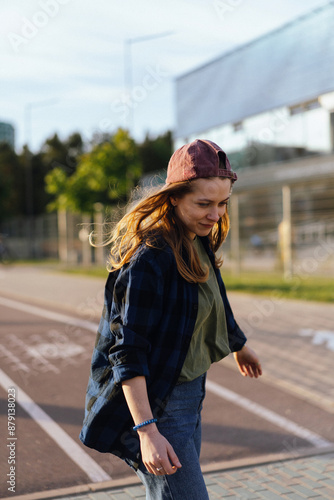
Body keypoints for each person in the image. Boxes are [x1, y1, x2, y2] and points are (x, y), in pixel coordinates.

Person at [80, 139, 262, 499]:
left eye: (223, 203)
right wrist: (146, 430)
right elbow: (127, 351)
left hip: (191, 394)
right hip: (160, 404)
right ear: (174, 197)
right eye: (204, 204)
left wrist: (239, 344)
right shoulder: (150, 260)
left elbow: (214, 298)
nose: (216, 214)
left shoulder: (197, 239)